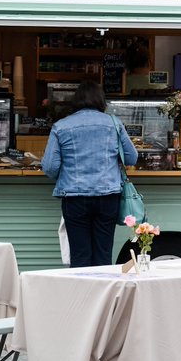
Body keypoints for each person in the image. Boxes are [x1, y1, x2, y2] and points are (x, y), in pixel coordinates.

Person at [41, 80, 137, 267]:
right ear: (101, 101)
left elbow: (50, 167)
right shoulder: (114, 124)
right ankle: (105, 295)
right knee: (103, 254)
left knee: (80, 255)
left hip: (74, 197)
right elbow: (131, 158)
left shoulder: (61, 126)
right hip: (108, 196)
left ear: (76, 100)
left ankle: (83, 295)